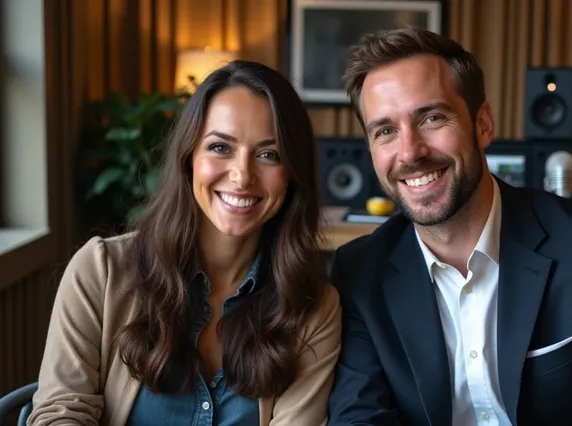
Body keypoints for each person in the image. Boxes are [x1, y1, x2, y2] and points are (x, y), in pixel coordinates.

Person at [326, 28, 572, 426]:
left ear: (483, 124)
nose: (409, 151)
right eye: (385, 131)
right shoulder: (358, 272)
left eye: (432, 117)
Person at [28, 60, 341, 426]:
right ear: (189, 156)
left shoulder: (314, 307)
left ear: (293, 174)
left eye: (268, 154)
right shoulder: (100, 271)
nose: (242, 176)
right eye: (220, 147)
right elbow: (60, 413)